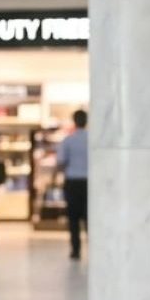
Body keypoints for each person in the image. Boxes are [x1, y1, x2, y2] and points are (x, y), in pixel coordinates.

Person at [56, 109, 89, 259]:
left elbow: (61, 162)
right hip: (88, 182)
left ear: (74, 121)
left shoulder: (68, 140)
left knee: (73, 218)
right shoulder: (91, 140)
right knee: (89, 217)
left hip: (72, 181)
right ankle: (92, 249)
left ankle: (76, 250)